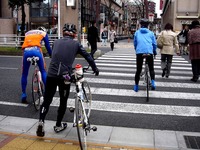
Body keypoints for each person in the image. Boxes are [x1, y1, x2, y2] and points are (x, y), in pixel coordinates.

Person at [36, 23, 99, 137]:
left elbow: (53, 54)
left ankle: (41, 121)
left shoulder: (56, 42)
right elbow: (88, 56)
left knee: (47, 100)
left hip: (51, 74)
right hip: (65, 76)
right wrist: (95, 68)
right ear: (74, 34)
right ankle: (58, 124)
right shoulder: (76, 44)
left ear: (63, 33)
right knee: (63, 101)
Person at [21, 27, 52, 103]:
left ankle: (23, 94)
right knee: (43, 71)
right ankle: (47, 93)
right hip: (36, 51)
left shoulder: (28, 33)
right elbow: (47, 46)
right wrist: (51, 55)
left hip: (26, 51)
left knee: (24, 73)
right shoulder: (44, 33)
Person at [133, 18, 157, 92]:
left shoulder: (137, 33)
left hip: (139, 52)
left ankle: (136, 86)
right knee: (151, 68)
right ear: (148, 25)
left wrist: (137, 49)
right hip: (149, 52)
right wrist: (154, 51)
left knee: (138, 70)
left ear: (141, 25)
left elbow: (135, 43)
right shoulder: (151, 33)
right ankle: (153, 82)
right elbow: (154, 44)